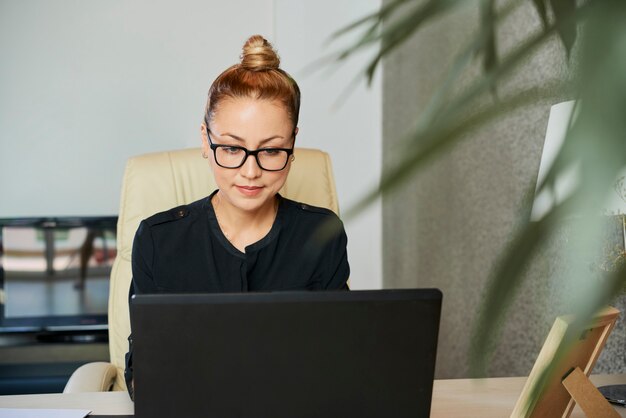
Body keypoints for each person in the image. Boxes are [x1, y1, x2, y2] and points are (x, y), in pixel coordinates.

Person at [124, 35, 350, 398]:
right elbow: (142, 372)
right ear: (204, 140)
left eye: (272, 150)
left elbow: (341, 361)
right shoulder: (157, 239)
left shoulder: (322, 233)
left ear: (293, 143)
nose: (249, 172)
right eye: (231, 148)